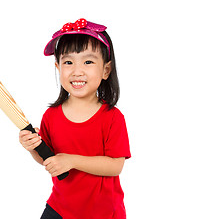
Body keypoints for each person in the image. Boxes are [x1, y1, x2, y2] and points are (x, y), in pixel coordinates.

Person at [19, 18, 131, 219]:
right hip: (60, 208)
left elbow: (116, 166)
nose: (77, 71)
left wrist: (72, 161)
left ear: (106, 70)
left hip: (102, 213)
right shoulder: (51, 116)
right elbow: (49, 160)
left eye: (88, 62)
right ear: (58, 67)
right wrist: (33, 146)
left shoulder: (112, 117)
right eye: (68, 62)